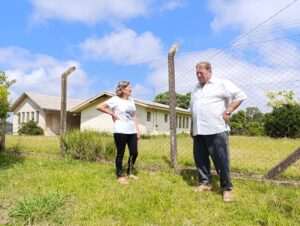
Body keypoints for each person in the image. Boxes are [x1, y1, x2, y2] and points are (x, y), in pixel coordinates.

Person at [190, 61, 247, 202]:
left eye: (201, 72)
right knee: (200, 159)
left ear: (209, 71)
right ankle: (205, 183)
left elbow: (241, 95)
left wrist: (229, 110)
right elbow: (193, 110)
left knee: (221, 160)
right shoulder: (196, 89)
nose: (198, 75)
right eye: (196, 72)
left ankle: (227, 188)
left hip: (216, 128)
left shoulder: (222, 83)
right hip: (199, 130)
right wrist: (192, 128)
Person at [97, 81, 140, 184]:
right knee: (120, 153)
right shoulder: (115, 99)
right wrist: (112, 113)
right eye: (129, 88)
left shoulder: (131, 100)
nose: (131, 89)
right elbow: (99, 107)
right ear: (123, 89)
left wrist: (137, 130)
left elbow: (134, 116)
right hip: (120, 130)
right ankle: (119, 175)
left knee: (134, 152)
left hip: (132, 130)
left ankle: (129, 172)